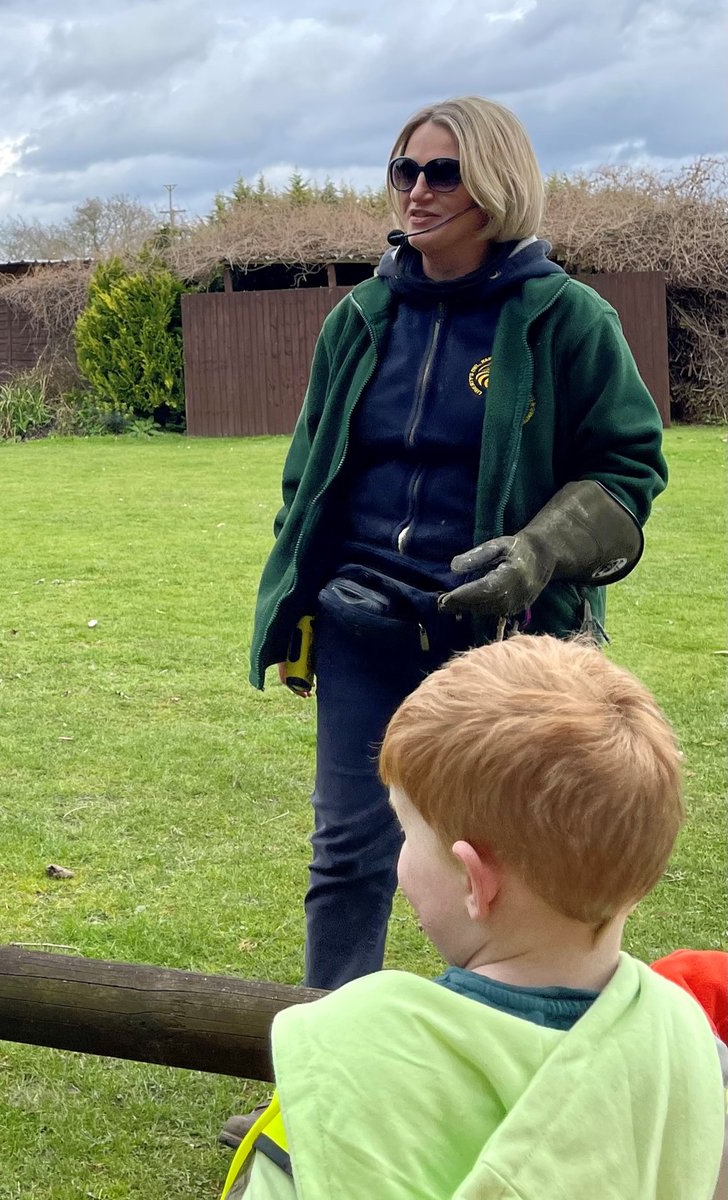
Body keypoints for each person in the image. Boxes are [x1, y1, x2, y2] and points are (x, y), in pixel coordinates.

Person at [247, 95, 667, 998]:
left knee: (505, 873)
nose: (419, 191)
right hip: (363, 625)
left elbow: (630, 471)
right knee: (347, 859)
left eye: (444, 171)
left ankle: (492, 1063)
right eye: (406, 170)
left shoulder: (570, 319)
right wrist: (298, 603)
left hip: (501, 649)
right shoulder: (359, 318)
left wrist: (539, 551)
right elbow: (308, 475)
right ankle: (329, 1084)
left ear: (498, 183)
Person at [221, 635, 726, 1199]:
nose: (400, 856)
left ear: (474, 880)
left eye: (406, 832)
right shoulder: (696, 1049)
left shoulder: (342, 1064)